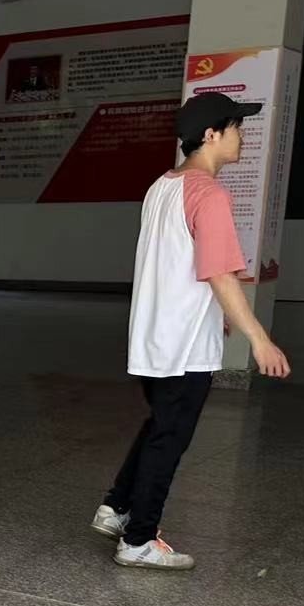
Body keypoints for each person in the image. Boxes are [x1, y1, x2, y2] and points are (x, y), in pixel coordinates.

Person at [94, 92, 291, 570]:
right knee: (170, 438)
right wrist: (259, 338)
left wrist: (217, 315)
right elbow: (219, 273)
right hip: (183, 345)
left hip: (154, 335)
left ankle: (116, 507)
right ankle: (138, 540)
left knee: (160, 425)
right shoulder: (210, 194)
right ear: (211, 134)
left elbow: (178, 263)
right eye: (236, 127)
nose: (242, 136)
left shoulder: (163, 185)